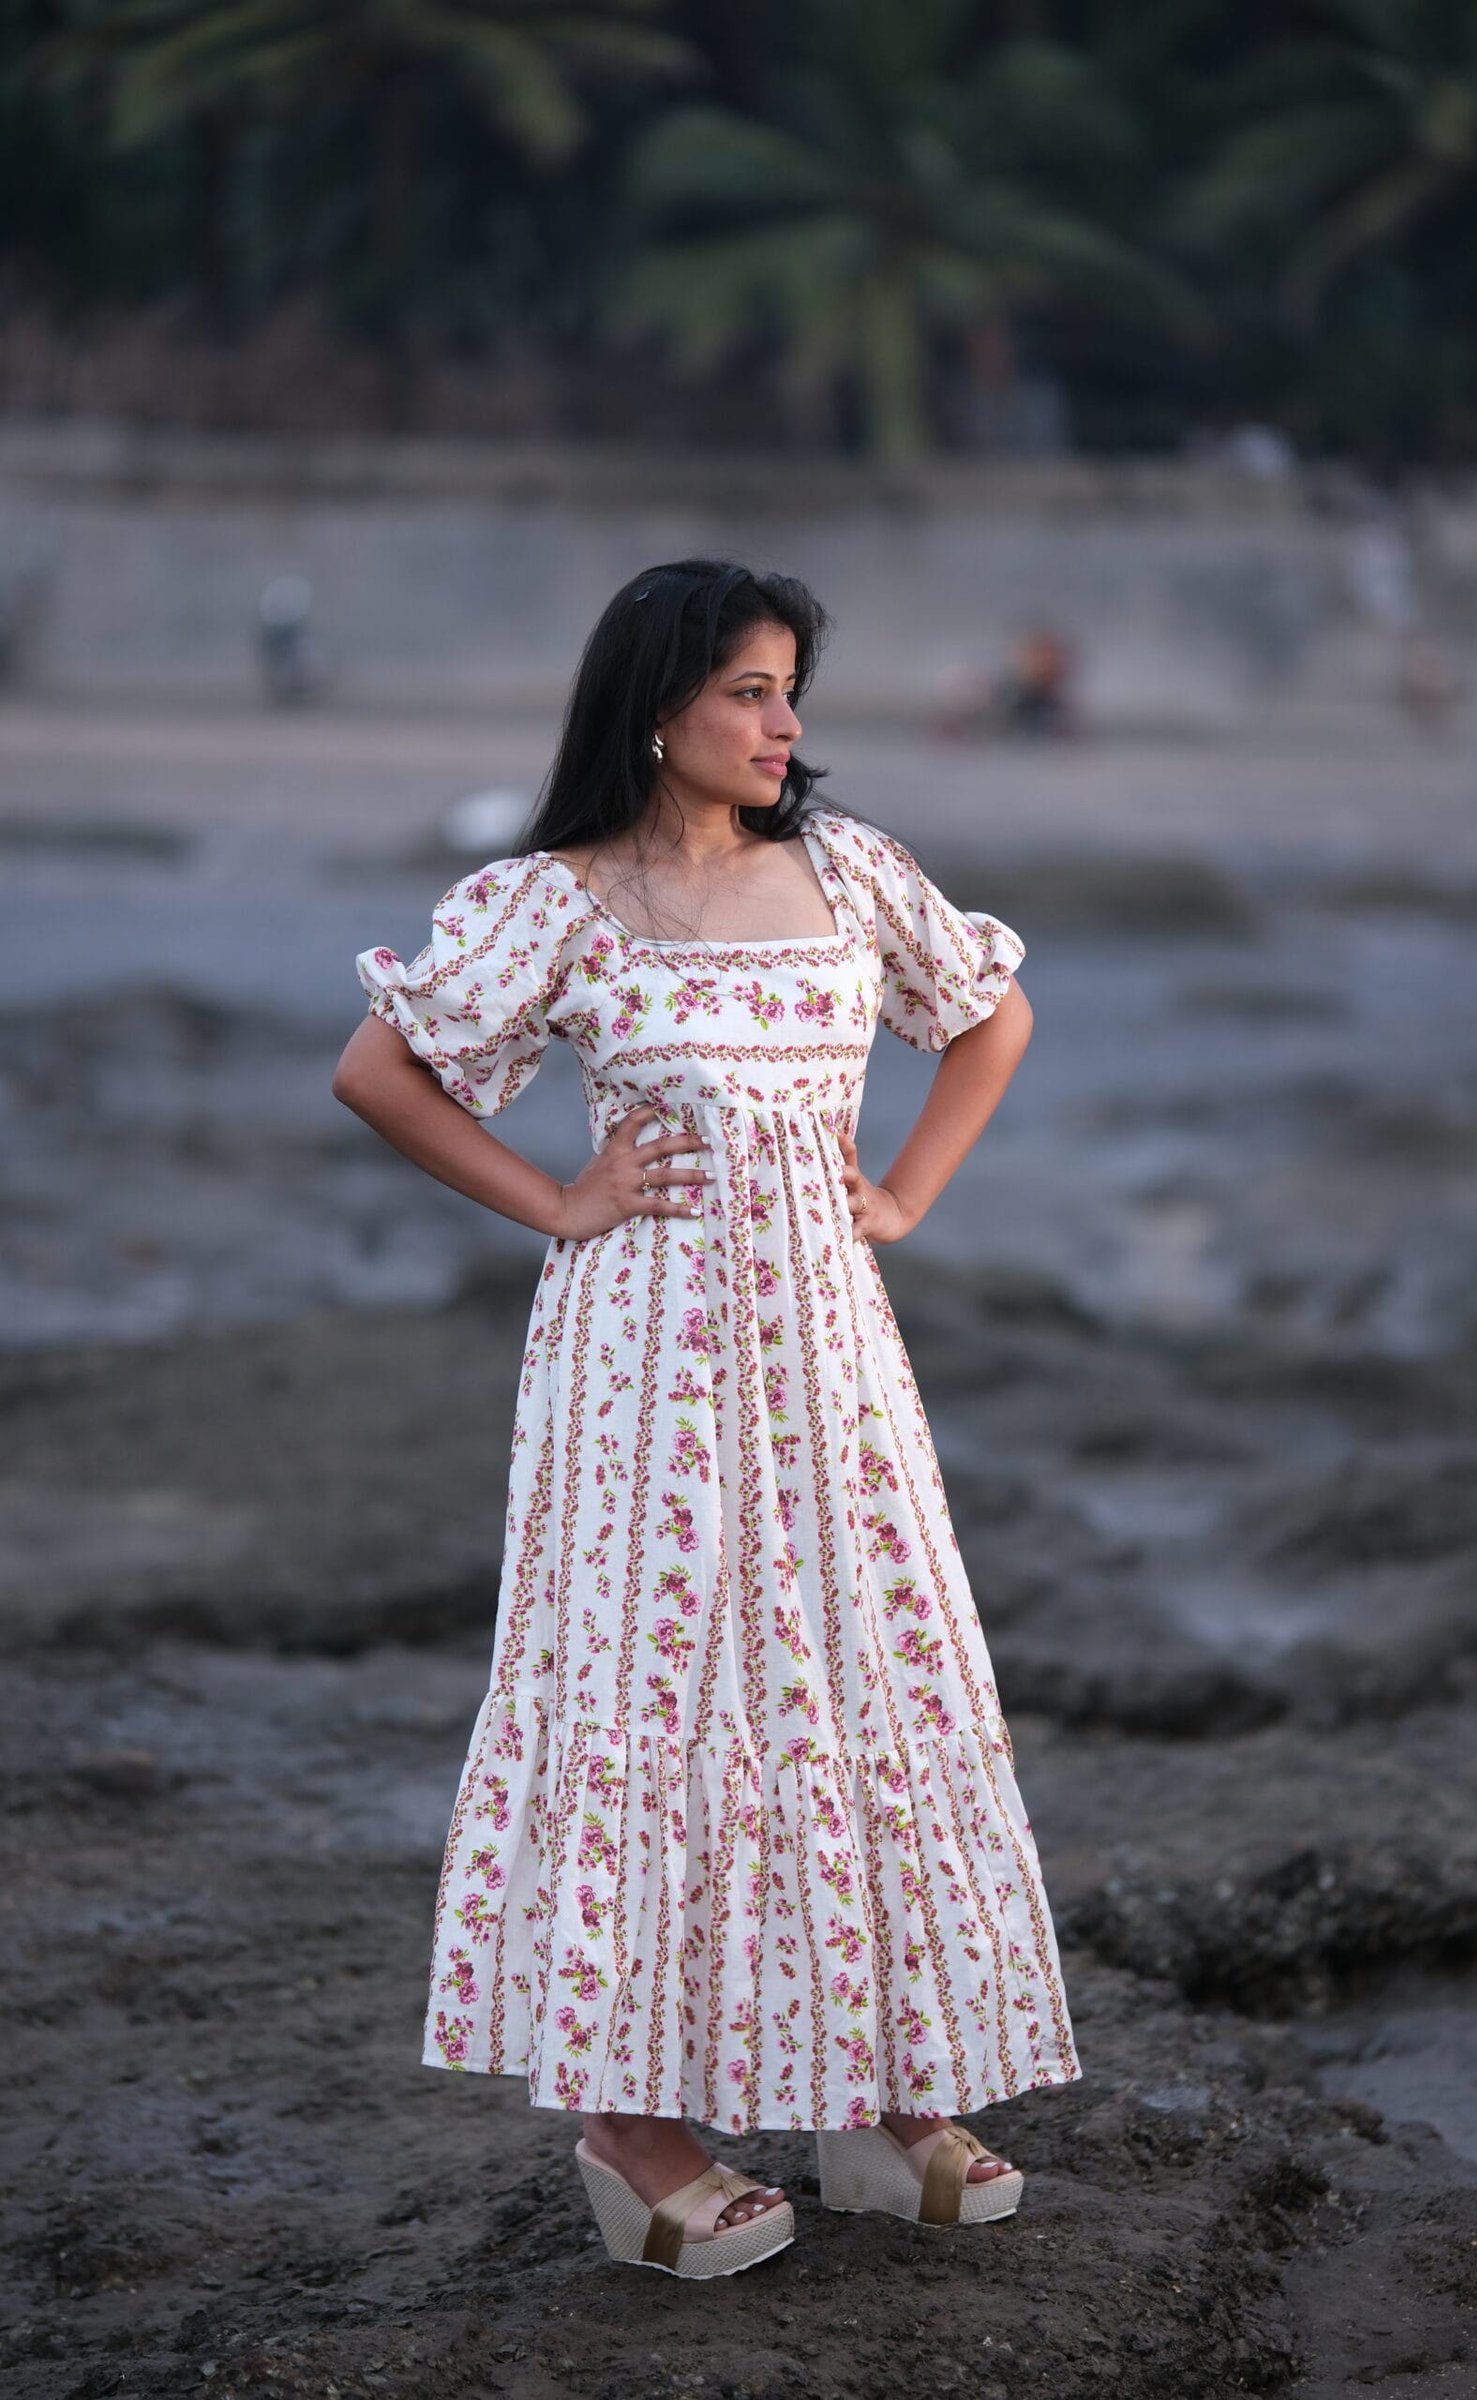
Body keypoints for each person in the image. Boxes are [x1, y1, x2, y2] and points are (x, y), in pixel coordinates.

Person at [332, 558, 1083, 2279]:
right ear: (655, 705)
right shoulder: (553, 902)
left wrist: (902, 1196)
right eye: (749, 690)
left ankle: (881, 2092)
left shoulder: (848, 870)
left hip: (830, 1356)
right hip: (638, 1372)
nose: (784, 723)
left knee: (863, 1667)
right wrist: (557, 1198)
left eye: (790, 689)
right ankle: (635, 2129)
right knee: (659, 1692)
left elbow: (992, 1014)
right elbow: (377, 1071)